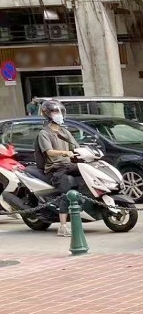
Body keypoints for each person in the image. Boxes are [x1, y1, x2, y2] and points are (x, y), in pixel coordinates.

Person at [35, 99, 81, 238]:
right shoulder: (44, 133)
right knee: (66, 192)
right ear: (47, 114)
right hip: (55, 168)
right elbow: (49, 152)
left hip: (68, 165)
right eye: (55, 112)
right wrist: (64, 153)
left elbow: (76, 147)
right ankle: (63, 226)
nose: (58, 114)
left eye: (60, 111)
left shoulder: (64, 131)